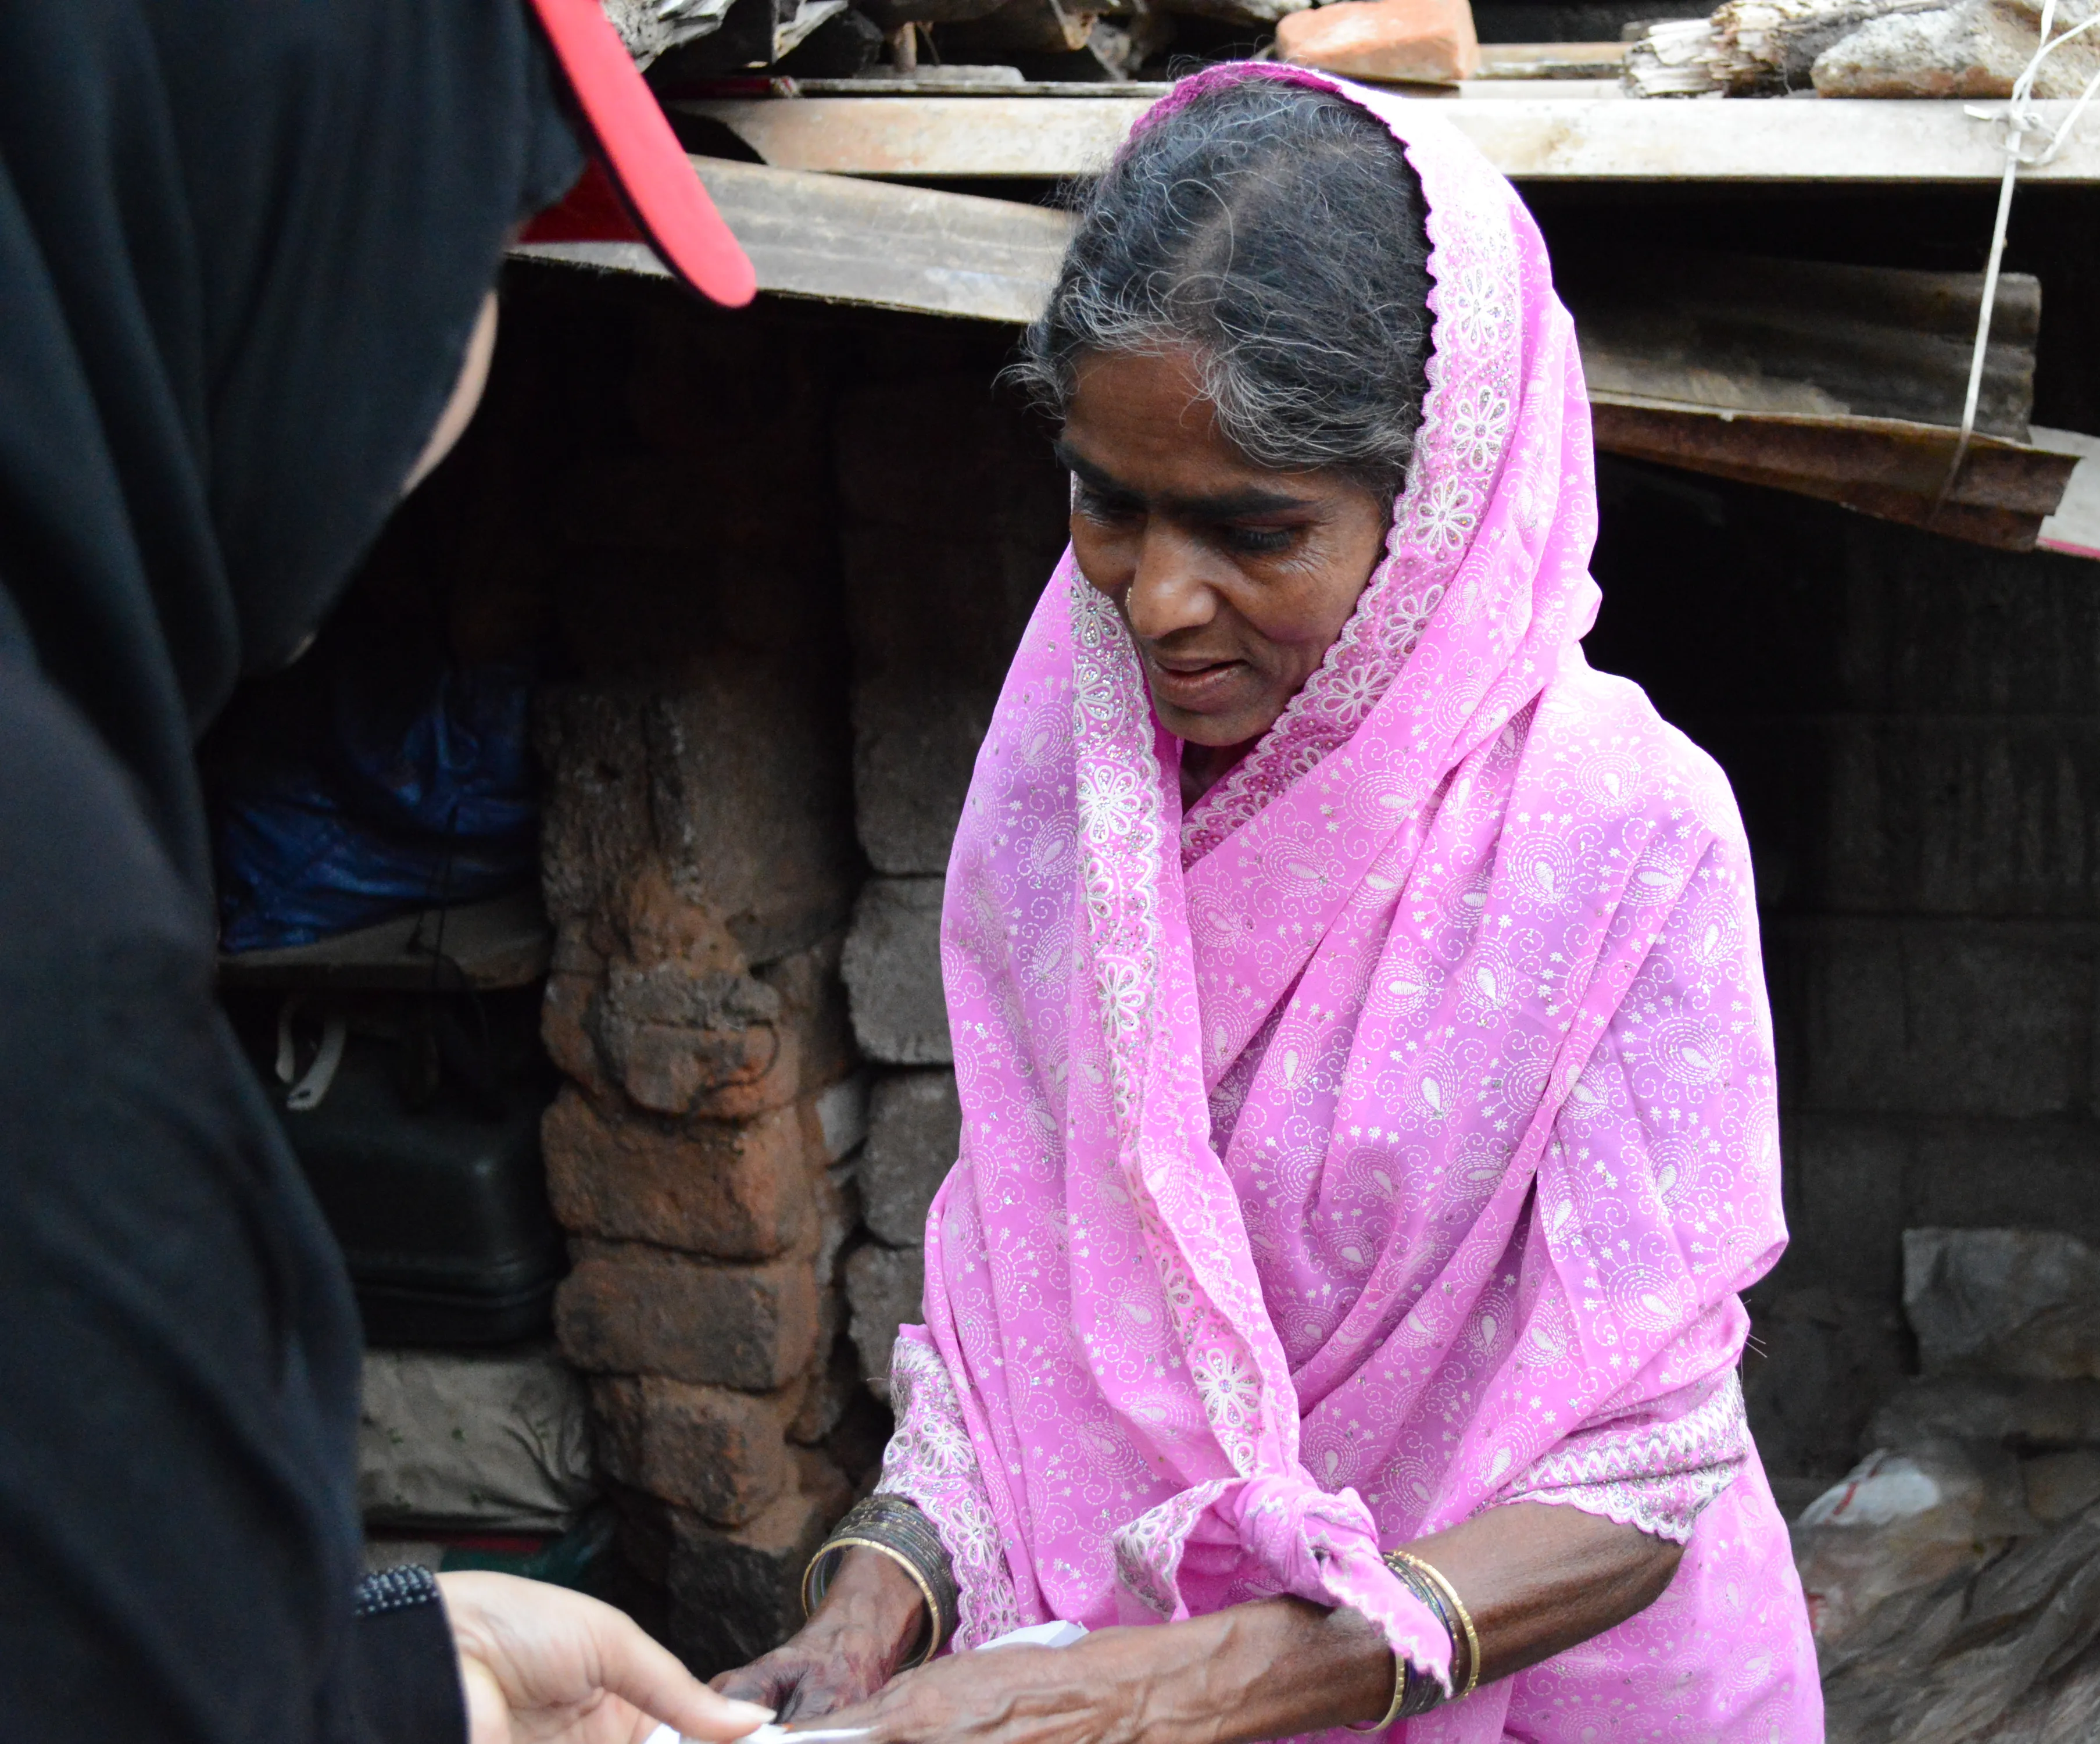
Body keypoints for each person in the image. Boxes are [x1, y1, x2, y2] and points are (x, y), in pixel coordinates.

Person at [718, 66, 1824, 1743]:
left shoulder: (1621, 836)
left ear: (1435, 504)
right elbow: (1027, 1296)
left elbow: (1643, 1459)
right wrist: (879, 1603)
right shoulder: (1070, 789)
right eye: (1108, 502)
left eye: (1253, 530)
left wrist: (1203, 1682)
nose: (1159, 601)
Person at [0, 6, 767, 1744]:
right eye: (471, 259)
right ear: (276, 194)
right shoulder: (46, 957)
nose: (463, 378)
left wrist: (409, 1681)